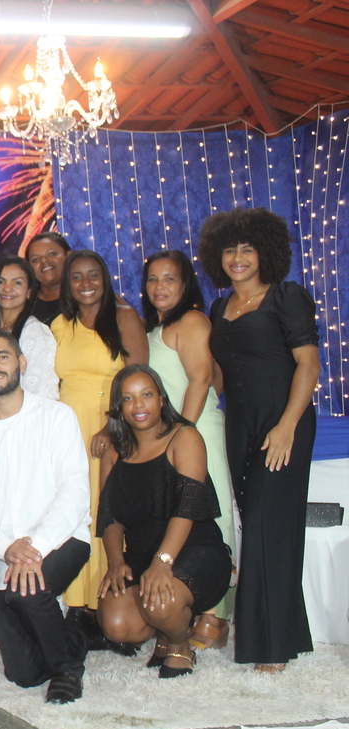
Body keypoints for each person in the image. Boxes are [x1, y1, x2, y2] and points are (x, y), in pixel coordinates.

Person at [202, 207, 318, 673]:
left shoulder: (286, 296)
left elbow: (308, 365)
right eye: (229, 249)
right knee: (260, 526)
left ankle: (270, 647)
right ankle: (285, 632)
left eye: (247, 249)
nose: (237, 258)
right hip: (240, 426)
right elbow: (220, 376)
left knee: (269, 529)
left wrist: (287, 425)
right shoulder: (218, 308)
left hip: (283, 421)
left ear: (265, 252)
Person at [0, 328, 91, 704]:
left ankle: (67, 670)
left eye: (2, 356)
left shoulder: (57, 416)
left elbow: (75, 492)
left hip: (64, 539)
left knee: (28, 592)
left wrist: (36, 548)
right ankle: (75, 637)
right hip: (4, 556)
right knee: (24, 675)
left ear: (22, 363)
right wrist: (7, 548)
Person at [95, 366, 233, 678]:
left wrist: (162, 562)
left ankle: (178, 643)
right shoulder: (115, 450)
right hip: (141, 553)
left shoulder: (184, 437)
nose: (138, 405)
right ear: (119, 407)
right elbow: (110, 516)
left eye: (146, 395)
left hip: (195, 551)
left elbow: (187, 509)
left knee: (158, 603)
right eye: (128, 398)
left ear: (161, 399)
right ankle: (164, 628)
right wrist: (115, 562)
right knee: (115, 625)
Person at [141, 250, 237, 640]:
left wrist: (183, 435)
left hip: (196, 434)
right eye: (153, 279)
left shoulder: (192, 321)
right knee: (183, 519)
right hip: (171, 439)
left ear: (185, 285)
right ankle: (193, 606)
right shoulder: (153, 329)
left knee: (213, 515)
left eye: (170, 279)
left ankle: (217, 616)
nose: (160, 287)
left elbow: (202, 380)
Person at [52, 249, 148, 610]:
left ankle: (110, 603)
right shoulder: (61, 325)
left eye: (93, 275)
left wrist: (111, 427)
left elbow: (139, 378)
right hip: (68, 429)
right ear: (67, 284)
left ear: (105, 278)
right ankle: (76, 603)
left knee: (105, 509)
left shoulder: (123, 317)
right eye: (76, 277)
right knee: (74, 507)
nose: (86, 283)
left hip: (110, 428)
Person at [0, 255, 58, 400]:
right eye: (1, 282)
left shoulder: (35, 332)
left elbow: (41, 393)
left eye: (17, 283)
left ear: (29, 292)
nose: (7, 288)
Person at [26, 231, 71, 325]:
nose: (44, 261)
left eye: (51, 254)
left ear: (68, 256)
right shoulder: (24, 303)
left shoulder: (84, 298)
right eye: (36, 259)